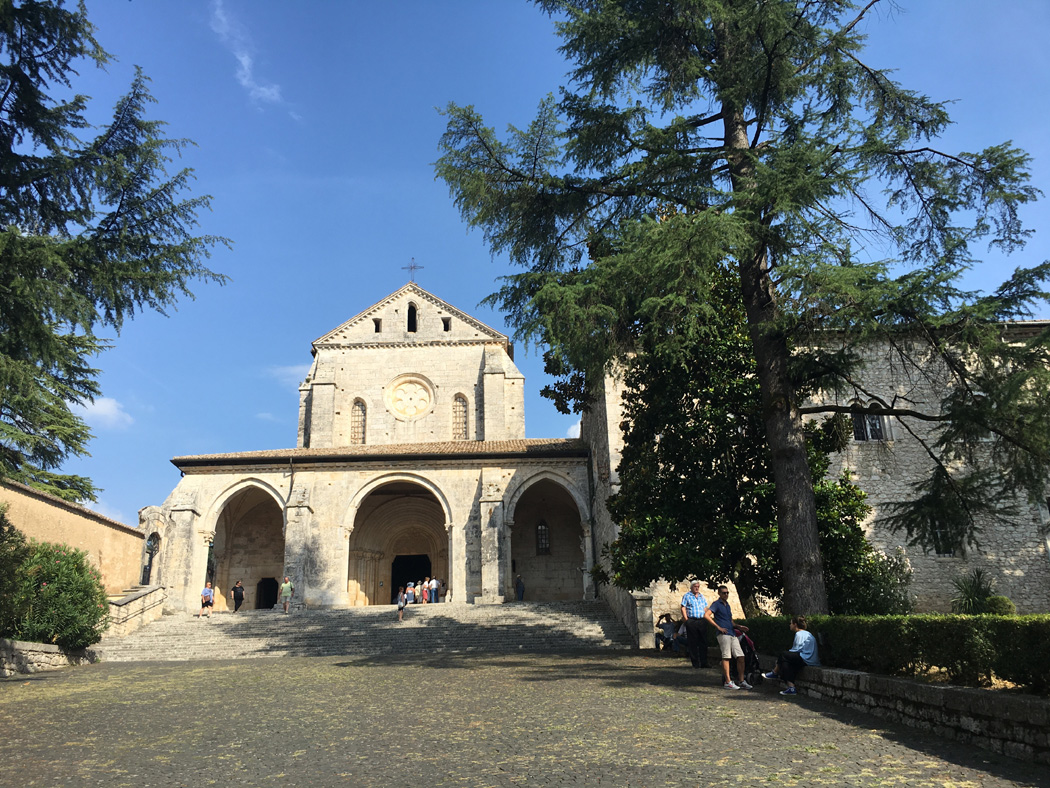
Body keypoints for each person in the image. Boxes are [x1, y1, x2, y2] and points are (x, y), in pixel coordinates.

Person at [704, 585, 752, 689]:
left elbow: (730, 620)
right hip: (723, 634)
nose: (726, 595)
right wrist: (718, 627)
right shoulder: (716, 604)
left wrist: (739, 626)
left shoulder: (727, 605)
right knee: (726, 657)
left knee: (740, 656)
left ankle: (741, 680)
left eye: (727, 593)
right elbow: (706, 615)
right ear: (719, 594)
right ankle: (728, 681)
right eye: (724, 593)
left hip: (732, 633)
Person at [763, 615, 820, 696]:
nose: (790, 625)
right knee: (785, 663)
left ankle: (774, 672)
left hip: (806, 658)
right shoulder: (807, 633)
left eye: (791, 623)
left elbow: (797, 649)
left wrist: (786, 654)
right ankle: (791, 688)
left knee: (783, 655)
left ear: (795, 624)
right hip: (807, 658)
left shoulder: (799, 634)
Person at [680, 580, 709, 669]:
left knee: (703, 642)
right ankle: (695, 663)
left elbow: (705, 607)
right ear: (691, 587)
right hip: (691, 621)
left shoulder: (701, 596)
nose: (697, 588)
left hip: (701, 620)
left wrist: (706, 617)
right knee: (692, 642)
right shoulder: (687, 596)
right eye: (695, 586)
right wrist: (686, 619)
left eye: (698, 586)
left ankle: (704, 662)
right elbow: (683, 607)